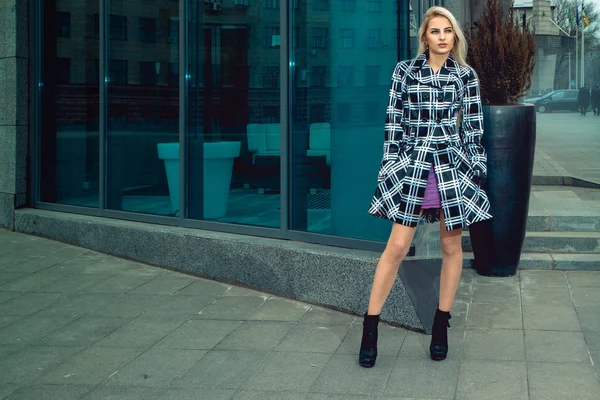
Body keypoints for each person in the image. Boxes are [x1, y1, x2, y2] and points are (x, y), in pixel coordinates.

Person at [360, 6, 492, 367]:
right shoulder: (404, 71)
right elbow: (393, 122)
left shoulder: (466, 75)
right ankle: (370, 327)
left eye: (448, 30)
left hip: (451, 167)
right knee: (398, 245)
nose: (443, 37)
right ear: (425, 37)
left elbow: (474, 128)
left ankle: (441, 323)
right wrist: (393, 164)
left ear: (455, 36)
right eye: (436, 31)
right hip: (414, 165)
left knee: (452, 247)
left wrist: (474, 166)